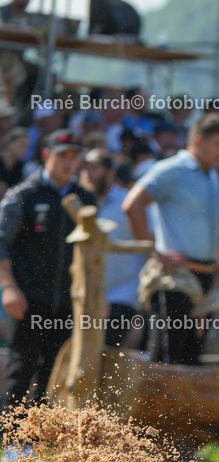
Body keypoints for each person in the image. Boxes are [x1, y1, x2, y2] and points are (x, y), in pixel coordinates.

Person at [0, 132, 93, 453]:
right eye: (62, 155)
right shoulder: (23, 196)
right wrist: (9, 288)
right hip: (27, 299)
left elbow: (93, 249)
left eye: (73, 156)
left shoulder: (84, 199)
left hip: (67, 302)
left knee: (53, 372)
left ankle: (39, 442)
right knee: (21, 368)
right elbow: (1, 242)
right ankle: (10, 442)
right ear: (46, 154)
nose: (68, 162)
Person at [122, 116, 219, 365]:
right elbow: (133, 205)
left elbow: (218, 224)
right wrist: (153, 250)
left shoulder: (212, 176)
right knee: (166, 358)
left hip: (205, 276)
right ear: (199, 141)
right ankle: (152, 406)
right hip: (174, 277)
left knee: (191, 362)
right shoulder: (171, 169)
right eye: (217, 144)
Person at [79, 148, 147, 349]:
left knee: (107, 354)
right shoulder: (78, 202)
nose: (88, 175)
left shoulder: (131, 202)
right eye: (85, 169)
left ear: (110, 173)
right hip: (88, 294)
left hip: (123, 293)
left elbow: (151, 239)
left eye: (95, 169)